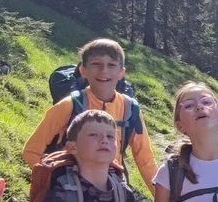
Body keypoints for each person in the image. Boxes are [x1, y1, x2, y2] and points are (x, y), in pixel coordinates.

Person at [23, 38, 158, 187]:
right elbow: (31, 150)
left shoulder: (130, 109)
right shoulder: (69, 105)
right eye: (96, 64)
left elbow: (145, 159)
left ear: (121, 73)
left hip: (112, 187)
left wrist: (162, 197)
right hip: (71, 188)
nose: (104, 70)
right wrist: (55, 182)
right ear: (83, 70)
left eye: (111, 65)